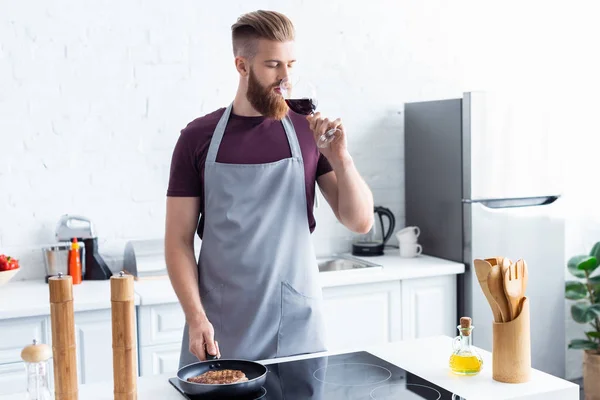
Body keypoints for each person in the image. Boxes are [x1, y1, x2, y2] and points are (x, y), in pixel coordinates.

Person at [165, 10, 374, 368]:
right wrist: (195, 317)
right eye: (273, 65)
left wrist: (341, 158)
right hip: (219, 325)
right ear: (242, 66)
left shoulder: (309, 133)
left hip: (295, 326)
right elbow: (178, 241)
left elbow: (360, 221)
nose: (286, 78)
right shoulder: (197, 138)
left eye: (291, 64)